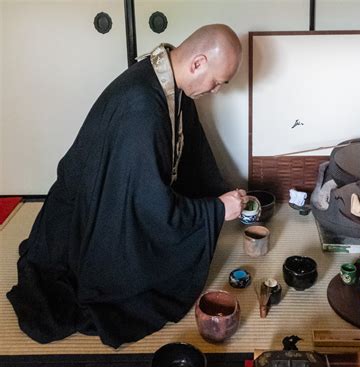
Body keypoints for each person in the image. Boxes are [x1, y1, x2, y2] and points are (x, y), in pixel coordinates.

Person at [7, 24, 247, 348]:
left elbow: (193, 162)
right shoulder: (143, 108)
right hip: (87, 219)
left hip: (111, 193)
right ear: (197, 63)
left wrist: (220, 193)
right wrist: (216, 210)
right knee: (145, 292)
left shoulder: (166, 80)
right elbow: (148, 207)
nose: (216, 90)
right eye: (217, 82)